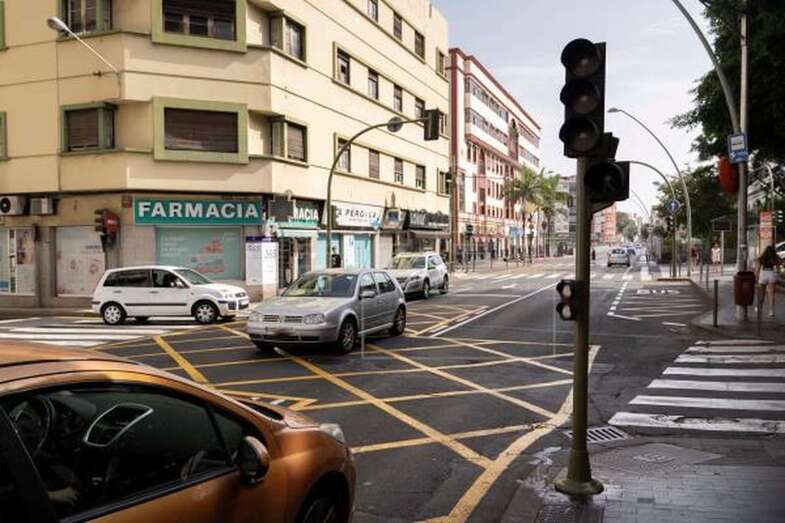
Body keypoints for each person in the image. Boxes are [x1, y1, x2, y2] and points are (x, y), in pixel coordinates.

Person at [756, 245, 782, 317]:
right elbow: (778, 267)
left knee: (762, 294)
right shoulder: (774, 258)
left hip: (763, 274)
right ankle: (771, 311)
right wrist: (778, 273)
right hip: (771, 274)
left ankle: (759, 308)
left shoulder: (761, 258)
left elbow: (757, 270)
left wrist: (756, 278)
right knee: (771, 295)